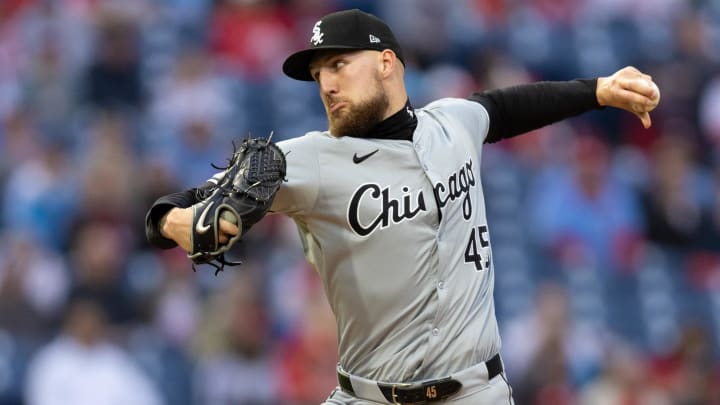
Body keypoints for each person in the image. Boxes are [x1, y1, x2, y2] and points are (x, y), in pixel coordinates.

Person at [145, 9, 660, 405]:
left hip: (477, 392)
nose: (326, 83)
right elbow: (178, 205)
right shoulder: (311, 160)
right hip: (369, 395)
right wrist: (175, 220)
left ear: (386, 63)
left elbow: (507, 107)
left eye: (339, 64)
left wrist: (598, 90)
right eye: (319, 72)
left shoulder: (453, 122)